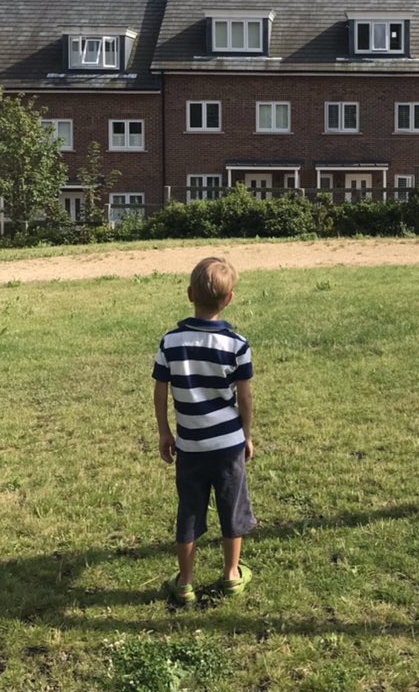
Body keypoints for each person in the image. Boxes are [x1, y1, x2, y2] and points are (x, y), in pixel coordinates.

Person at [153, 255, 256, 606]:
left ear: (188, 294)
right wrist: (246, 434)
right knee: (232, 507)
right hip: (228, 444)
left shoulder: (170, 342)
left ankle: (185, 581)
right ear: (229, 299)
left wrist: (165, 432)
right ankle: (231, 574)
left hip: (190, 444)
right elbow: (245, 396)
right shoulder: (237, 344)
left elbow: (160, 389)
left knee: (190, 510)